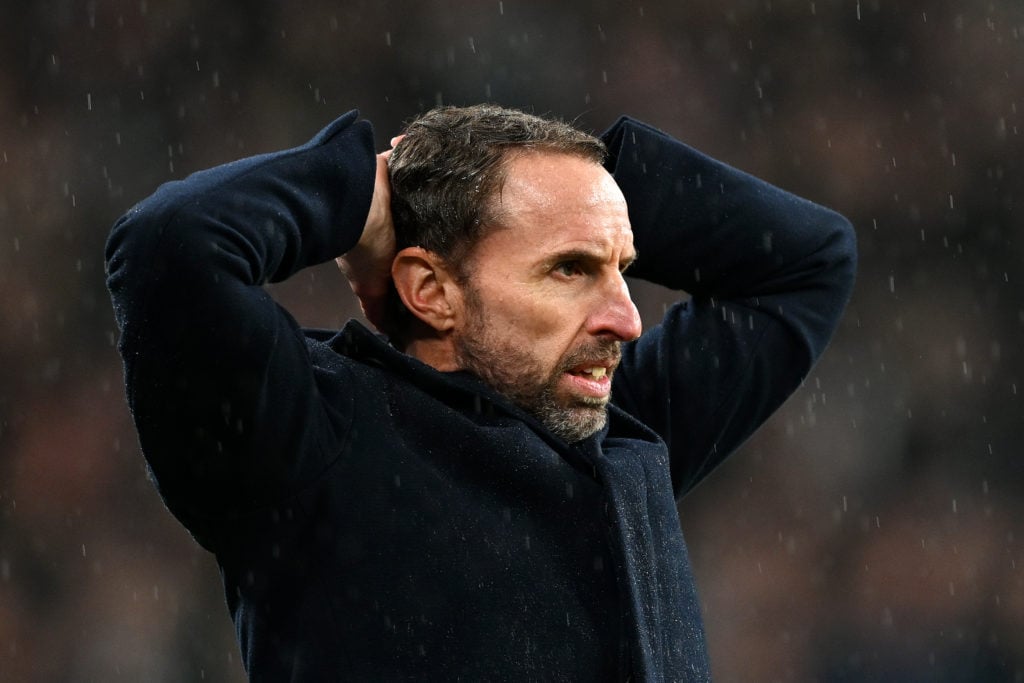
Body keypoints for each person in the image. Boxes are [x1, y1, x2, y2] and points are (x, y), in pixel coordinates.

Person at [105, 104, 856, 681]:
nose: (627, 318)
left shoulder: (614, 429)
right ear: (430, 289)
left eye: (622, 266)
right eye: (570, 269)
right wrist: (361, 194)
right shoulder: (309, 437)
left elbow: (806, 261)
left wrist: (586, 191)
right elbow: (170, 245)